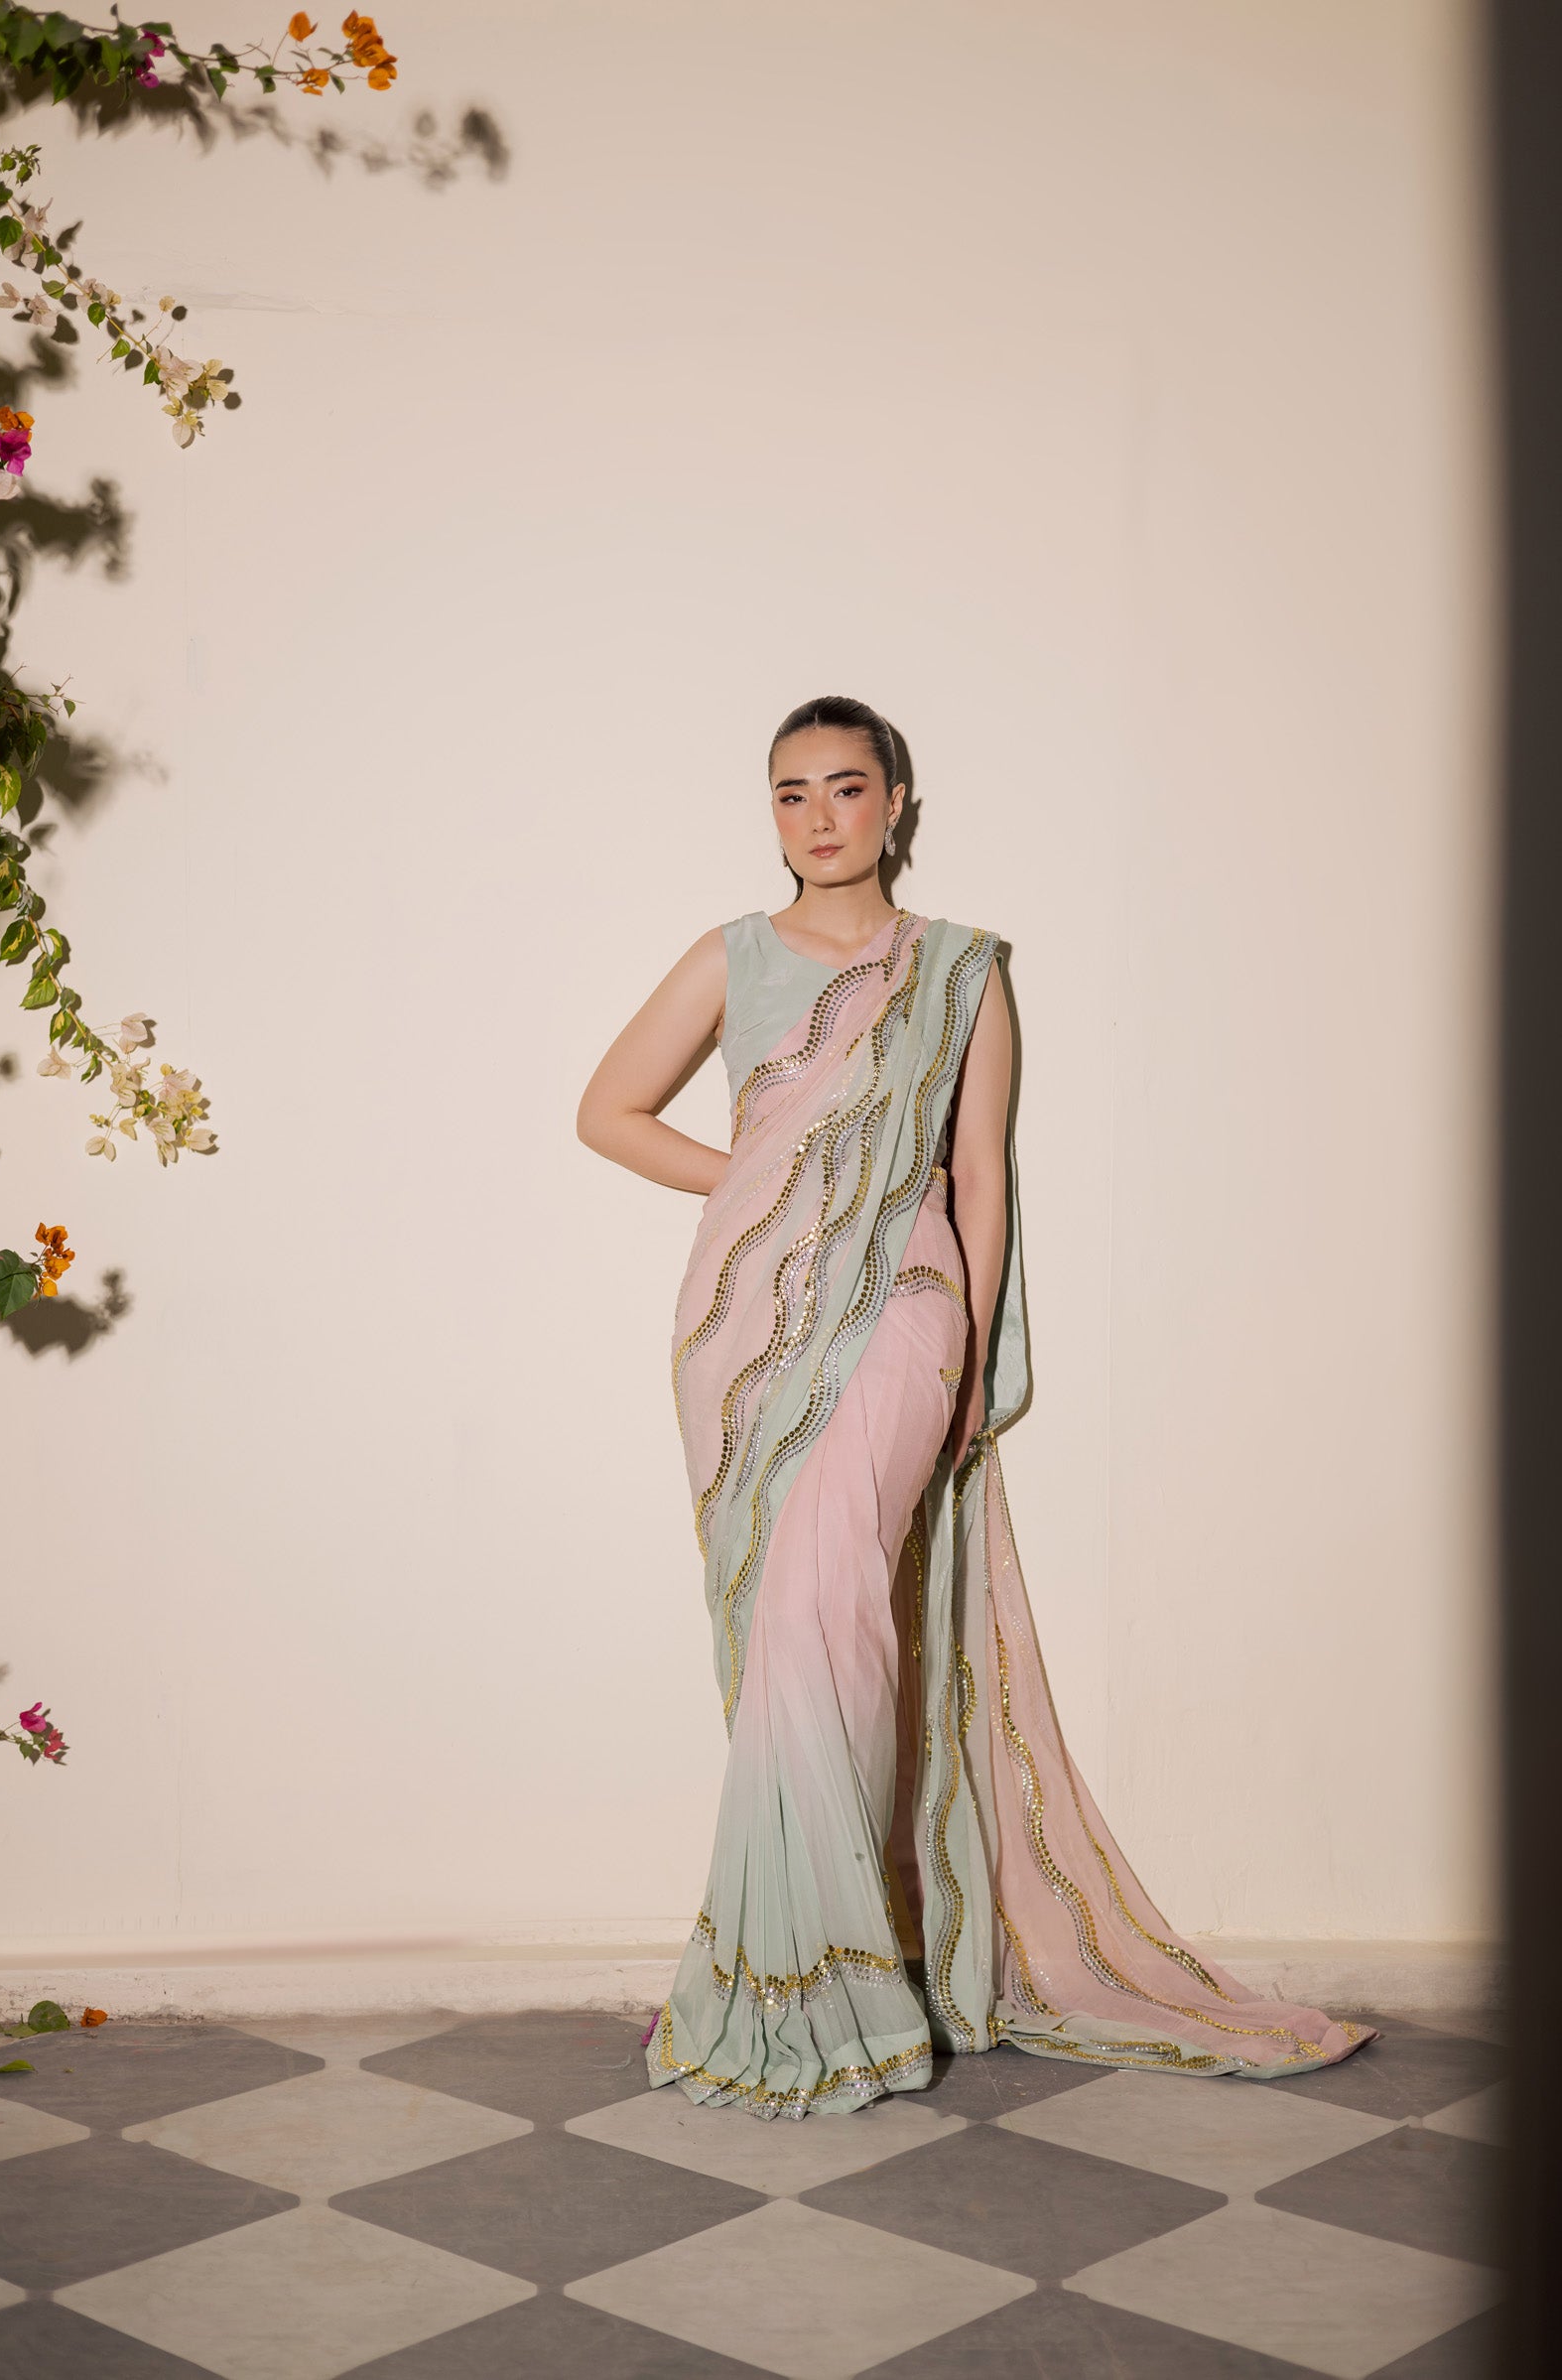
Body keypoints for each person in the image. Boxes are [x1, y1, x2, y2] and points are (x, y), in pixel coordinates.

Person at [578, 694, 1373, 2119]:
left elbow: (984, 1176)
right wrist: (773, 1185)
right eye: (790, 794)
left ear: (897, 802)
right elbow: (607, 1113)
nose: (818, 817)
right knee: (783, 1626)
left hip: (908, 1302)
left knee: (829, 1608)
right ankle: (796, 1958)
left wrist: (970, 1352)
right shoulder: (731, 956)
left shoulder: (960, 970)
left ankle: (824, 1968)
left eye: (845, 787)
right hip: (747, 1332)